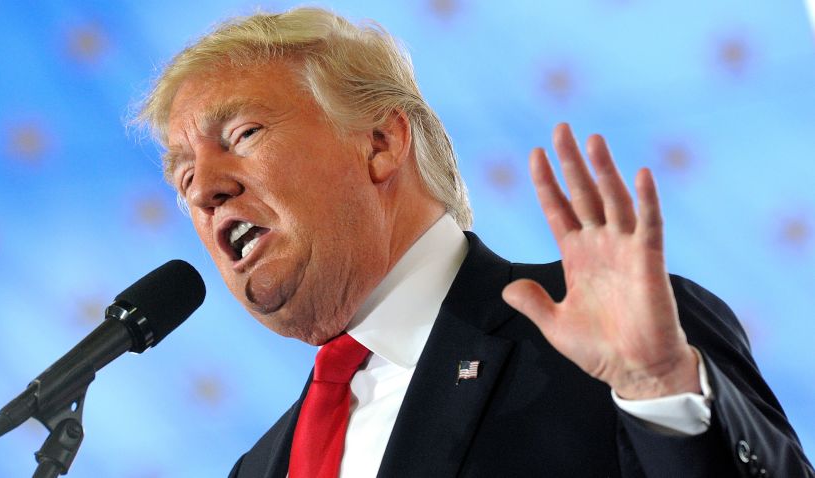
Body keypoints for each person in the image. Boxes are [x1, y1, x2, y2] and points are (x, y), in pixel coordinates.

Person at [135, 7, 813, 478]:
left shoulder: (604, 331)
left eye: (244, 136)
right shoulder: (260, 467)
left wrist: (661, 394)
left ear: (380, 142)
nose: (204, 190)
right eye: (184, 174)